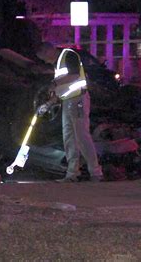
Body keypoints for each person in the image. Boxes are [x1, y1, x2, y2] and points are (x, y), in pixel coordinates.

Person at [36, 43, 103, 182]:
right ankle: (72, 174)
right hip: (68, 101)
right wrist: (48, 104)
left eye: (43, 57)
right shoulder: (58, 63)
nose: (44, 61)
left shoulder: (69, 55)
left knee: (81, 136)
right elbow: (64, 89)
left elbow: (73, 76)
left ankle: (95, 172)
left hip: (78, 100)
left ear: (50, 50)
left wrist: (54, 83)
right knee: (69, 138)